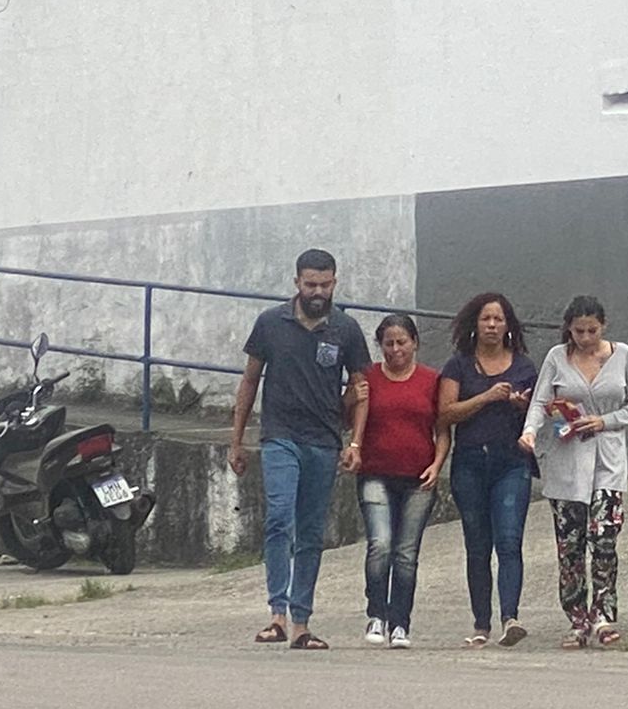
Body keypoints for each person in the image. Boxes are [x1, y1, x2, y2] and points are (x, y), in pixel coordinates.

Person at [229, 248, 371, 651]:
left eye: (325, 284)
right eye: (310, 284)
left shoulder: (346, 329)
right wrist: (236, 441)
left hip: (324, 442)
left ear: (335, 283)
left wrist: (355, 443)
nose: (317, 291)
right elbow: (249, 382)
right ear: (296, 282)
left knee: (310, 532)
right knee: (279, 518)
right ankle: (276, 613)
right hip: (280, 436)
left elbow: (362, 390)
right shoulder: (271, 323)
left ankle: (301, 621)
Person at [519, 295, 628, 649]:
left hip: (607, 458)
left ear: (603, 326)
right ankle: (577, 618)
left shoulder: (623, 356)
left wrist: (605, 420)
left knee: (604, 538)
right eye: (578, 331)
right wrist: (530, 431)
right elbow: (540, 402)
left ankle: (604, 615)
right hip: (567, 459)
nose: (585, 338)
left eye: (592, 330)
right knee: (570, 545)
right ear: (569, 329)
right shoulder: (557, 358)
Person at [439, 292, 538, 648]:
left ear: (508, 325)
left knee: (509, 540)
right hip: (469, 462)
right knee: (477, 545)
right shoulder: (459, 365)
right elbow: (445, 413)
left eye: (499, 319)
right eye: (486, 319)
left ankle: (510, 617)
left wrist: (522, 405)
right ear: (475, 324)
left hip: (511, 461)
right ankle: (481, 623)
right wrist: (486, 397)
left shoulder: (525, 366)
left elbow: (539, 414)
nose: (493, 326)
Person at [354, 313, 446, 650]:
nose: (395, 349)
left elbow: (442, 428)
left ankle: (401, 623)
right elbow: (349, 414)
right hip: (375, 472)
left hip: (418, 477)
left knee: (406, 553)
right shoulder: (368, 377)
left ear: (415, 343)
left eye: (401, 342)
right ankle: (376, 613)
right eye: (388, 343)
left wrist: (437, 464)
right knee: (380, 544)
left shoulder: (431, 380)